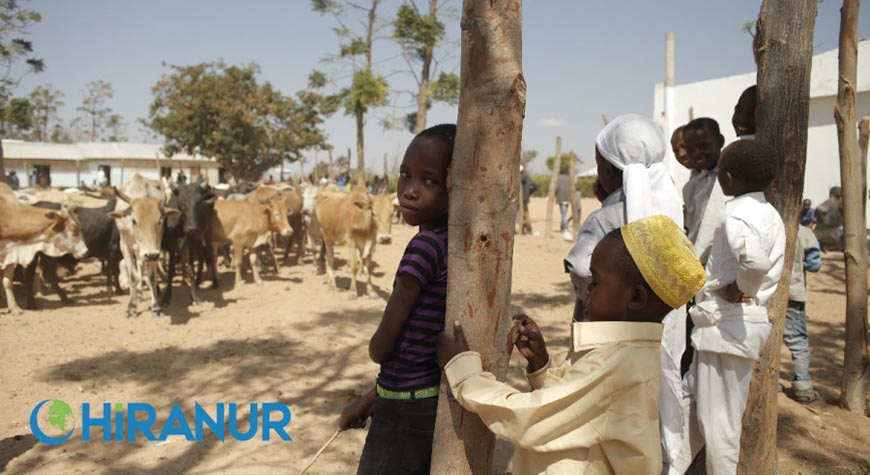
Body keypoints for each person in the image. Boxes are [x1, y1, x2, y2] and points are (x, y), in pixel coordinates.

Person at [437, 215, 707, 475]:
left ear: (635, 298)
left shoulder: (618, 364)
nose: (587, 288)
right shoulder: (625, 353)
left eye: (596, 281)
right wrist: (541, 367)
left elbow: (531, 418)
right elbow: (575, 412)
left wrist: (465, 374)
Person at [564, 114, 687, 467]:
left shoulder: (605, 217)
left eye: (599, 161)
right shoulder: (668, 207)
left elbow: (582, 269)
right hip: (655, 330)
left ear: (610, 169)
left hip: (603, 332)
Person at [337, 124, 455, 475]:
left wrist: (375, 350)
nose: (411, 190)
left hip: (403, 410)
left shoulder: (424, 246)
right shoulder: (451, 243)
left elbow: (383, 346)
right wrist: (367, 401)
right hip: (425, 399)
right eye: (406, 175)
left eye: (429, 181)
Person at [670, 140, 786, 475]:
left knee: (719, 428)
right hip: (726, 329)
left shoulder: (736, 214)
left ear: (729, 179)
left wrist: (741, 287)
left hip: (727, 327)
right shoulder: (769, 214)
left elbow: (755, 262)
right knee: (692, 406)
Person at [783, 223, 821, 404]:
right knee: (797, 340)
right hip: (794, 291)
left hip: (766, 292)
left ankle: (767, 380)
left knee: (765, 339)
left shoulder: (769, 223)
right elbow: (815, 265)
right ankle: (803, 386)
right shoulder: (805, 233)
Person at [682, 117, 727, 266]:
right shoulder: (691, 187)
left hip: (725, 261)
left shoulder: (732, 178)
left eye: (702, 146)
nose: (697, 153)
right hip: (697, 262)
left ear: (720, 141)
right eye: (690, 150)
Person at [814, 186, 844, 251]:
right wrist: (823, 219)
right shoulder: (831, 201)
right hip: (830, 226)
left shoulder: (839, 202)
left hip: (836, 226)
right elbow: (820, 209)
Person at [520, 165, 537, 235]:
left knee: (523, 215)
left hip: (519, 200)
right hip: (525, 199)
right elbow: (535, 186)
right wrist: (529, 192)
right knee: (525, 214)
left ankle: (527, 230)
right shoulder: (527, 177)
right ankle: (526, 230)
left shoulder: (517, 178)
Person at [556, 172, 572, 240]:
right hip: (567, 198)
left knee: (563, 214)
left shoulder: (558, 178)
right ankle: (563, 227)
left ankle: (565, 228)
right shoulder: (569, 178)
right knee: (564, 214)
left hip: (560, 198)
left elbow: (556, 188)